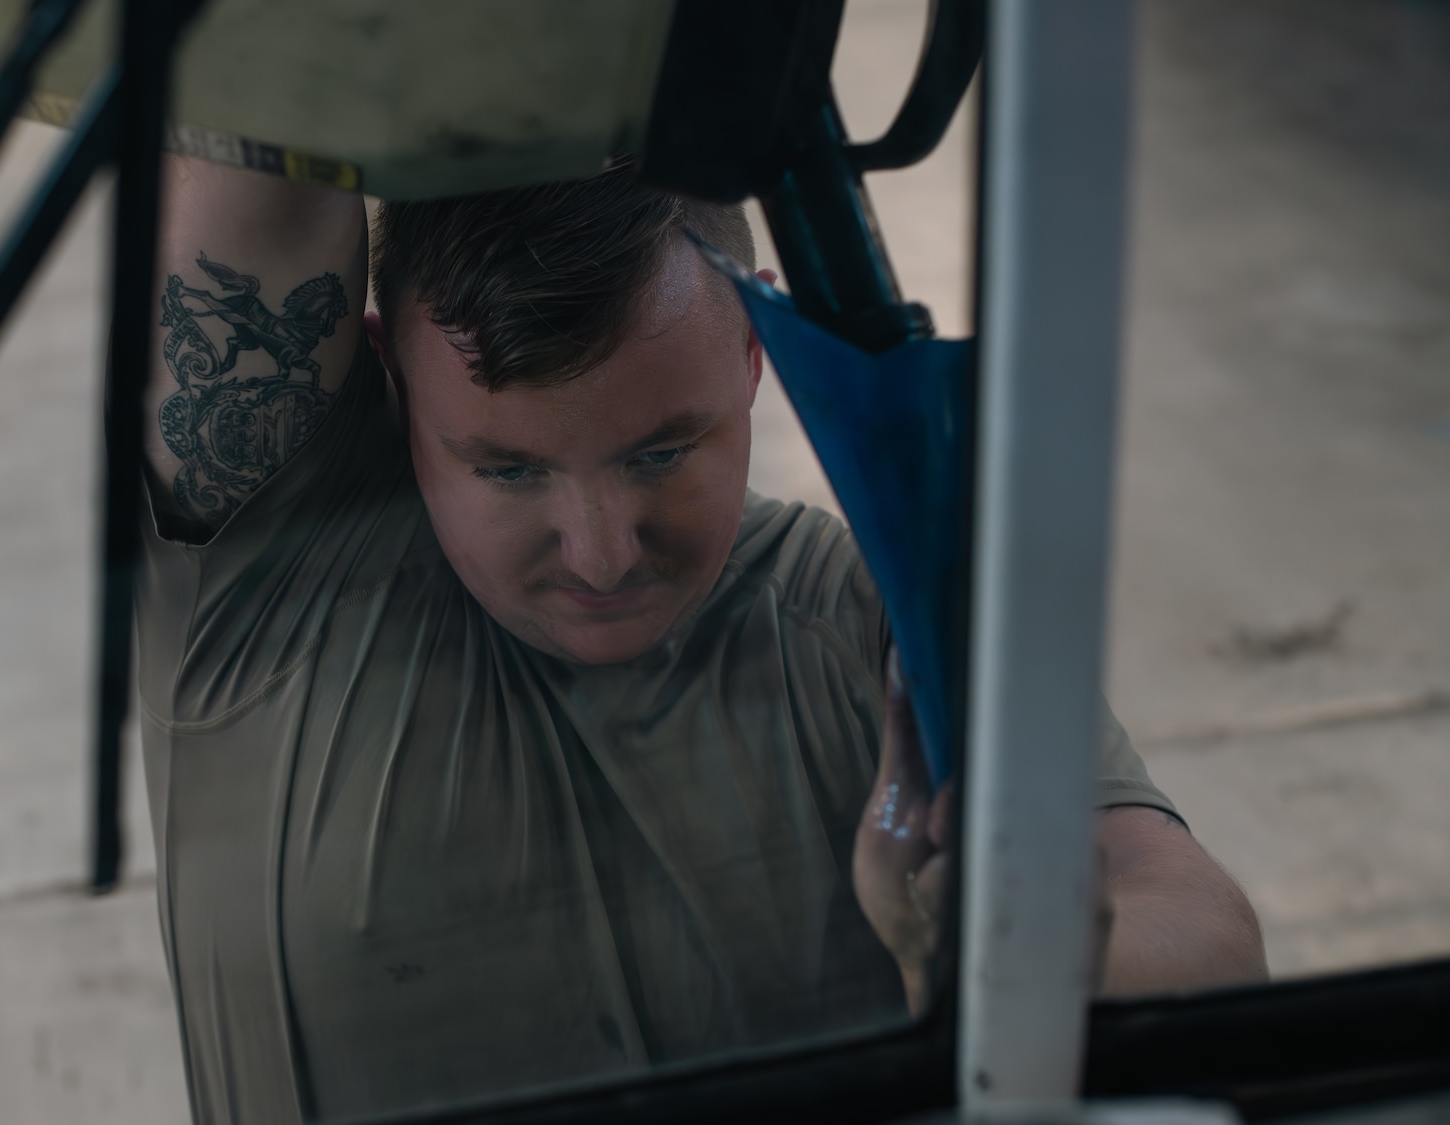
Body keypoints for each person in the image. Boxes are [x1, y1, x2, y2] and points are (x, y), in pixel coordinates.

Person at [134, 155, 1266, 1125]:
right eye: (509, 469)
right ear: (383, 370)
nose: (600, 554)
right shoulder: (277, 582)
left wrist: (999, 958)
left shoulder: (865, 615)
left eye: (660, 451)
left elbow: (1203, 929)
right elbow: (250, 156)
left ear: (753, 351)